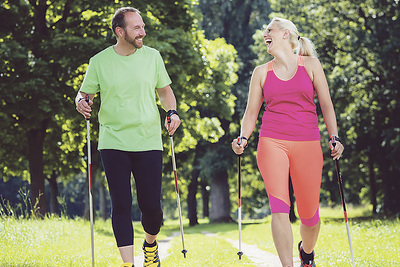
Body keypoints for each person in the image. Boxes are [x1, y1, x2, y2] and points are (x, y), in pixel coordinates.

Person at [232, 17, 344, 267]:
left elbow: (326, 105)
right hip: (272, 142)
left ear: (285, 34)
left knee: (310, 218)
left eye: (269, 30)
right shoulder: (261, 72)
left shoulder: (311, 65)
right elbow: (251, 114)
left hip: (308, 143)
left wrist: (334, 137)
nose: (265, 34)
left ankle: (307, 252)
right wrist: (242, 138)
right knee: (279, 209)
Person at [75, 7, 180, 267]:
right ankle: (127, 263)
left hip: (148, 141)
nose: (143, 31)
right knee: (121, 204)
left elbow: (165, 91)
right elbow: (84, 94)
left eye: (143, 26)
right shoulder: (99, 62)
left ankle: (150, 244)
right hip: (113, 142)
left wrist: (173, 111)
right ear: (119, 32)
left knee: (152, 209)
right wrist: (81, 102)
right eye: (137, 28)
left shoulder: (153, 57)